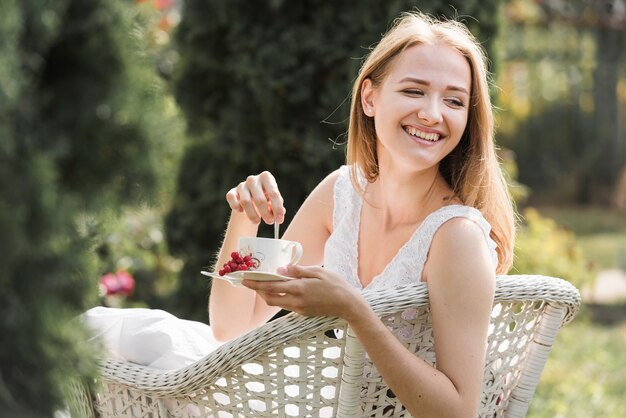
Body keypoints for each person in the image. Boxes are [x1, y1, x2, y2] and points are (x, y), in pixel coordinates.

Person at [83, 11, 515, 417]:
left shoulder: (457, 237)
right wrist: (245, 219)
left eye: (454, 101)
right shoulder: (342, 194)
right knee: (127, 339)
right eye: (413, 90)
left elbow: (459, 411)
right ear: (369, 97)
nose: (432, 113)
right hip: (314, 401)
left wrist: (355, 312)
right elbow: (232, 326)